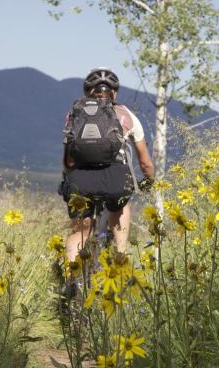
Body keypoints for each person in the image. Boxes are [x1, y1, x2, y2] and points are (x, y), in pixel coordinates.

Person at [61, 67, 154, 265]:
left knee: (81, 232)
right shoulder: (126, 115)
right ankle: (120, 256)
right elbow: (144, 161)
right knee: (121, 205)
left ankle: (71, 280)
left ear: (88, 92)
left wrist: (68, 181)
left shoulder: (75, 113)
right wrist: (149, 179)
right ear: (115, 93)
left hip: (81, 179)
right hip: (115, 179)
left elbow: (68, 159)